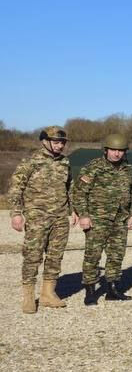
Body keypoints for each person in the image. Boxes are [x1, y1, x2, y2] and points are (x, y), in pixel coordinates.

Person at [9, 126, 73, 313]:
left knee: (55, 256)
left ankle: (48, 294)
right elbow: (15, 188)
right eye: (56, 141)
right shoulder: (31, 162)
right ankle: (29, 296)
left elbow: (70, 187)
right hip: (37, 216)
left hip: (60, 217)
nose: (60, 145)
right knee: (32, 256)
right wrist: (16, 213)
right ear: (44, 141)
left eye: (62, 142)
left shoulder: (65, 163)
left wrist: (74, 210)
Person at [72, 133, 132, 305]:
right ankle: (90, 291)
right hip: (97, 219)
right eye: (114, 150)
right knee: (93, 255)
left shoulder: (129, 169)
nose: (117, 154)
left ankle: (112, 289)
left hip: (120, 219)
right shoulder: (93, 167)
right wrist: (84, 215)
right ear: (106, 150)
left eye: (121, 151)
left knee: (116, 255)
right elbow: (79, 193)